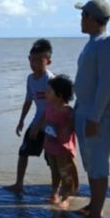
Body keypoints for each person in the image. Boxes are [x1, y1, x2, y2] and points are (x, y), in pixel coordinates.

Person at [73, 0, 110, 218]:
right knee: (90, 163)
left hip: (98, 114)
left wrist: (94, 117)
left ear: (92, 18)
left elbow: (105, 85)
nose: (80, 19)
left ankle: (96, 214)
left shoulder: (107, 43)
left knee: (99, 164)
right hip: (84, 110)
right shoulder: (92, 42)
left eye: (83, 15)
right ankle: (93, 205)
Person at [4, 39, 55, 193]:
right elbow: (28, 101)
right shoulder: (30, 79)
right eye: (32, 60)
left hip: (52, 125)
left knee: (52, 159)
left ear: (48, 61)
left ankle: (57, 190)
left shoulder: (50, 80)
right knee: (23, 151)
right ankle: (19, 184)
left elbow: (53, 107)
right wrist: (21, 121)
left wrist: (40, 126)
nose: (35, 64)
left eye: (39, 60)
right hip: (37, 121)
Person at [29, 75, 78, 209]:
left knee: (65, 172)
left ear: (60, 95)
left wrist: (70, 127)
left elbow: (74, 126)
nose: (46, 93)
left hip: (63, 148)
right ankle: (54, 193)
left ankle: (66, 197)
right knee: (54, 171)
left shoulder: (68, 111)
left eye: (49, 91)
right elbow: (44, 118)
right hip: (49, 144)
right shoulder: (49, 106)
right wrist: (36, 128)